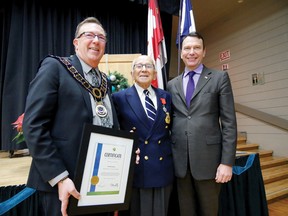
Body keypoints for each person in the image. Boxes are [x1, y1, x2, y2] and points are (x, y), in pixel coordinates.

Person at [23, 17, 119, 216]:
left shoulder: (104, 82)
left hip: (99, 183)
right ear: (76, 43)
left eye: (101, 37)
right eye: (89, 35)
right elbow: (33, 125)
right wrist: (60, 177)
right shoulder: (55, 68)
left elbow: (110, 127)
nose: (96, 40)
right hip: (64, 183)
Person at [167, 32, 237, 216]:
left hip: (209, 162)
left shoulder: (219, 78)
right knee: (185, 211)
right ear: (181, 52)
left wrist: (227, 163)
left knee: (209, 212)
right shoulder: (171, 85)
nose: (192, 52)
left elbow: (229, 122)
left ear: (204, 51)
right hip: (180, 162)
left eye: (196, 48)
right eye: (187, 48)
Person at [112, 55, 174, 216]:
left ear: (154, 73)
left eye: (148, 66)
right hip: (138, 168)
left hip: (163, 167)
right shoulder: (119, 98)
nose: (144, 69)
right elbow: (115, 132)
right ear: (132, 73)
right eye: (139, 66)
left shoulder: (165, 97)